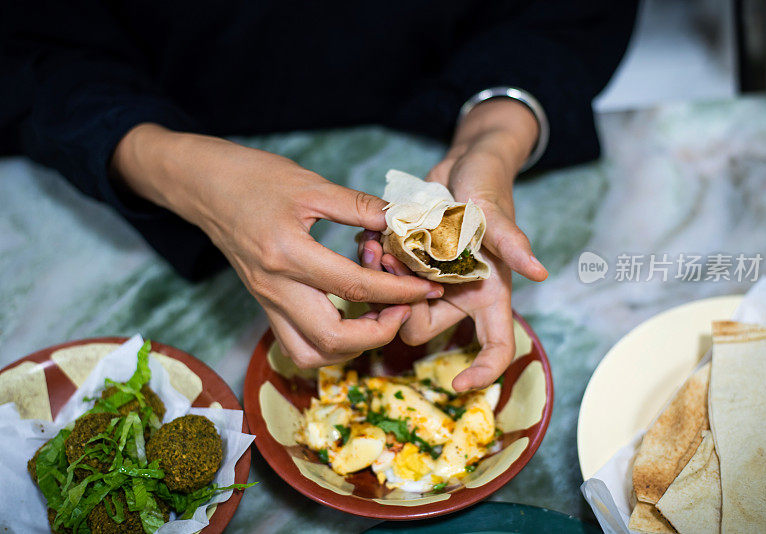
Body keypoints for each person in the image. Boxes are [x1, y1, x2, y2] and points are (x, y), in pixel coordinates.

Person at [1, 2, 637, 390]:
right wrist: (170, 166)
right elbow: (32, 41)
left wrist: (496, 136)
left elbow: (567, 13)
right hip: (156, 105)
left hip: (440, 90)